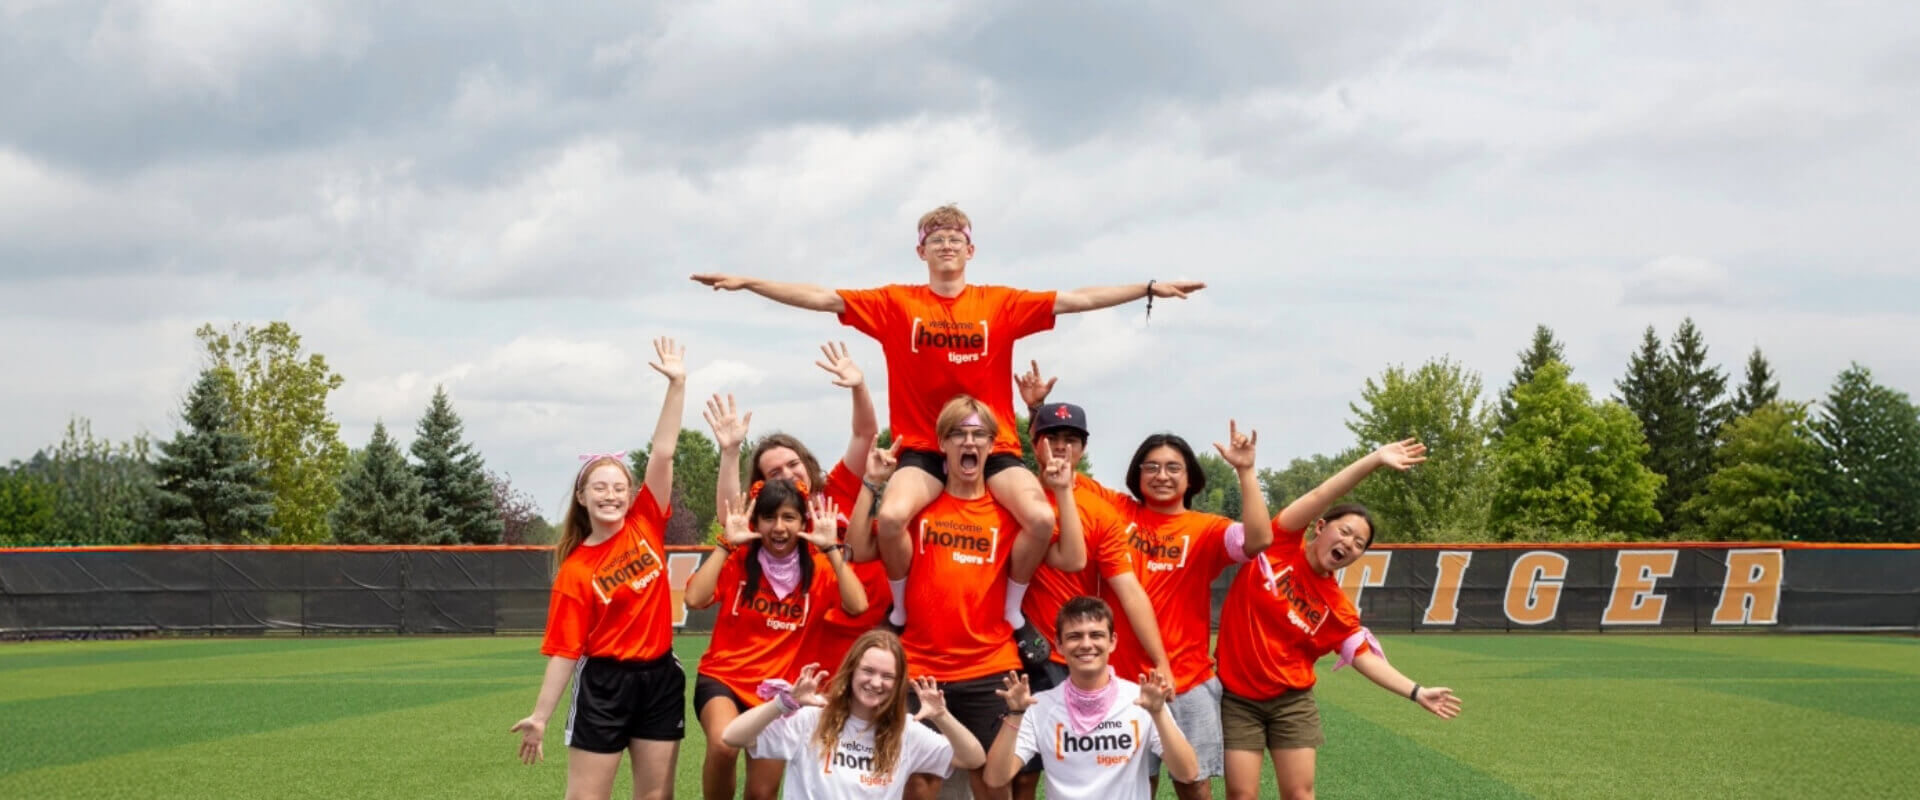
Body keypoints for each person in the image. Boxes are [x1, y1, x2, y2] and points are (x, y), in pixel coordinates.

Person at [692, 205, 1205, 648]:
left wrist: (1148, 287)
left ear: (970, 249)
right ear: (921, 252)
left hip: (993, 443)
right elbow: (823, 297)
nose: (945, 246)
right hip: (922, 448)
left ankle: (1011, 610)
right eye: (935, 239)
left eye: (955, 239)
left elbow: (1076, 300)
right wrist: (749, 283)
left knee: (1041, 519)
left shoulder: (999, 304)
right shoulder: (897, 303)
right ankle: (899, 611)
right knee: (890, 519)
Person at [1018, 363, 1269, 800]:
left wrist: (1246, 473)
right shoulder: (1114, 508)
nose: (1162, 475)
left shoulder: (1207, 527)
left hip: (1187, 675)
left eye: (1174, 468)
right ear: (1137, 474)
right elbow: (1060, 455)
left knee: (1193, 783)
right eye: (1151, 466)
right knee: (1134, 784)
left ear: (1190, 476)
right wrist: (1039, 409)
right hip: (1121, 675)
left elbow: (1259, 539)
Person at [845, 395, 1086, 800]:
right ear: (942, 443)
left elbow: (1073, 558)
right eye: (958, 434)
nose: (968, 443)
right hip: (921, 667)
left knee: (994, 781)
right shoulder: (920, 506)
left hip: (990, 667)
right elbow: (857, 550)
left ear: (992, 446)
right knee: (916, 783)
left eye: (978, 435)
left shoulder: (1008, 512)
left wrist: (1062, 492)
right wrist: (872, 485)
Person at [1215, 441, 1462, 800]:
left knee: (1300, 795)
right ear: (1320, 527)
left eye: (1359, 543)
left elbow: (1365, 659)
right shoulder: (1280, 544)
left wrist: (1417, 691)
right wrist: (1376, 460)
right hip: (1237, 698)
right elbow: (1321, 493)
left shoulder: (1339, 608)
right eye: (1344, 532)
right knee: (1241, 795)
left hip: (1291, 703)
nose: (1350, 543)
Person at [509, 337, 688, 800]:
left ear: (632, 496)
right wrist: (541, 716)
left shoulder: (646, 521)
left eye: (619, 487)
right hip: (605, 685)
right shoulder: (576, 571)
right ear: (582, 497)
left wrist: (677, 384)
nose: (611, 495)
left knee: (656, 796)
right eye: (600, 487)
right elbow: (566, 652)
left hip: (660, 677)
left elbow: (664, 453)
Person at [705, 341, 891, 676]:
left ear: (806, 461)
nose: (788, 474)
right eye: (775, 472)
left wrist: (859, 386)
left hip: (877, 631)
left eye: (793, 463)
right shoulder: (773, 523)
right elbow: (729, 514)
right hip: (820, 639)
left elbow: (865, 434)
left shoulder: (837, 489)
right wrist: (731, 452)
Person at [685, 479, 871, 800]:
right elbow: (694, 598)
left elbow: (858, 606)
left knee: (761, 793)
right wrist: (724, 544)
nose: (779, 527)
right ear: (756, 523)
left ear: (802, 522)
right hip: (724, 679)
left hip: (779, 693)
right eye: (769, 518)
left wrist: (831, 549)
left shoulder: (819, 569)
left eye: (789, 517)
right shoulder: (739, 560)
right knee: (723, 744)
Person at [721, 630, 988, 799]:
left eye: (887, 677)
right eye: (868, 671)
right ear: (851, 671)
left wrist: (941, 715)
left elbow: (973, 757)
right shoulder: (812, 719)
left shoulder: (906, 731)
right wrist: (783, 703)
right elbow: (732, 736)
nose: (876, 683)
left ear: (897, 685)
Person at [984, 596, 1198, 799]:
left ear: (1112, 641)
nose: (1086, 644)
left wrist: (1158, 714)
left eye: (1096, 635)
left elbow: (1188, 772)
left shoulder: (1141, 701)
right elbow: (995, 779)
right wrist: (1014, 715)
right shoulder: (1040, 706)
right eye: (1074, 636)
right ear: (1059, 645)